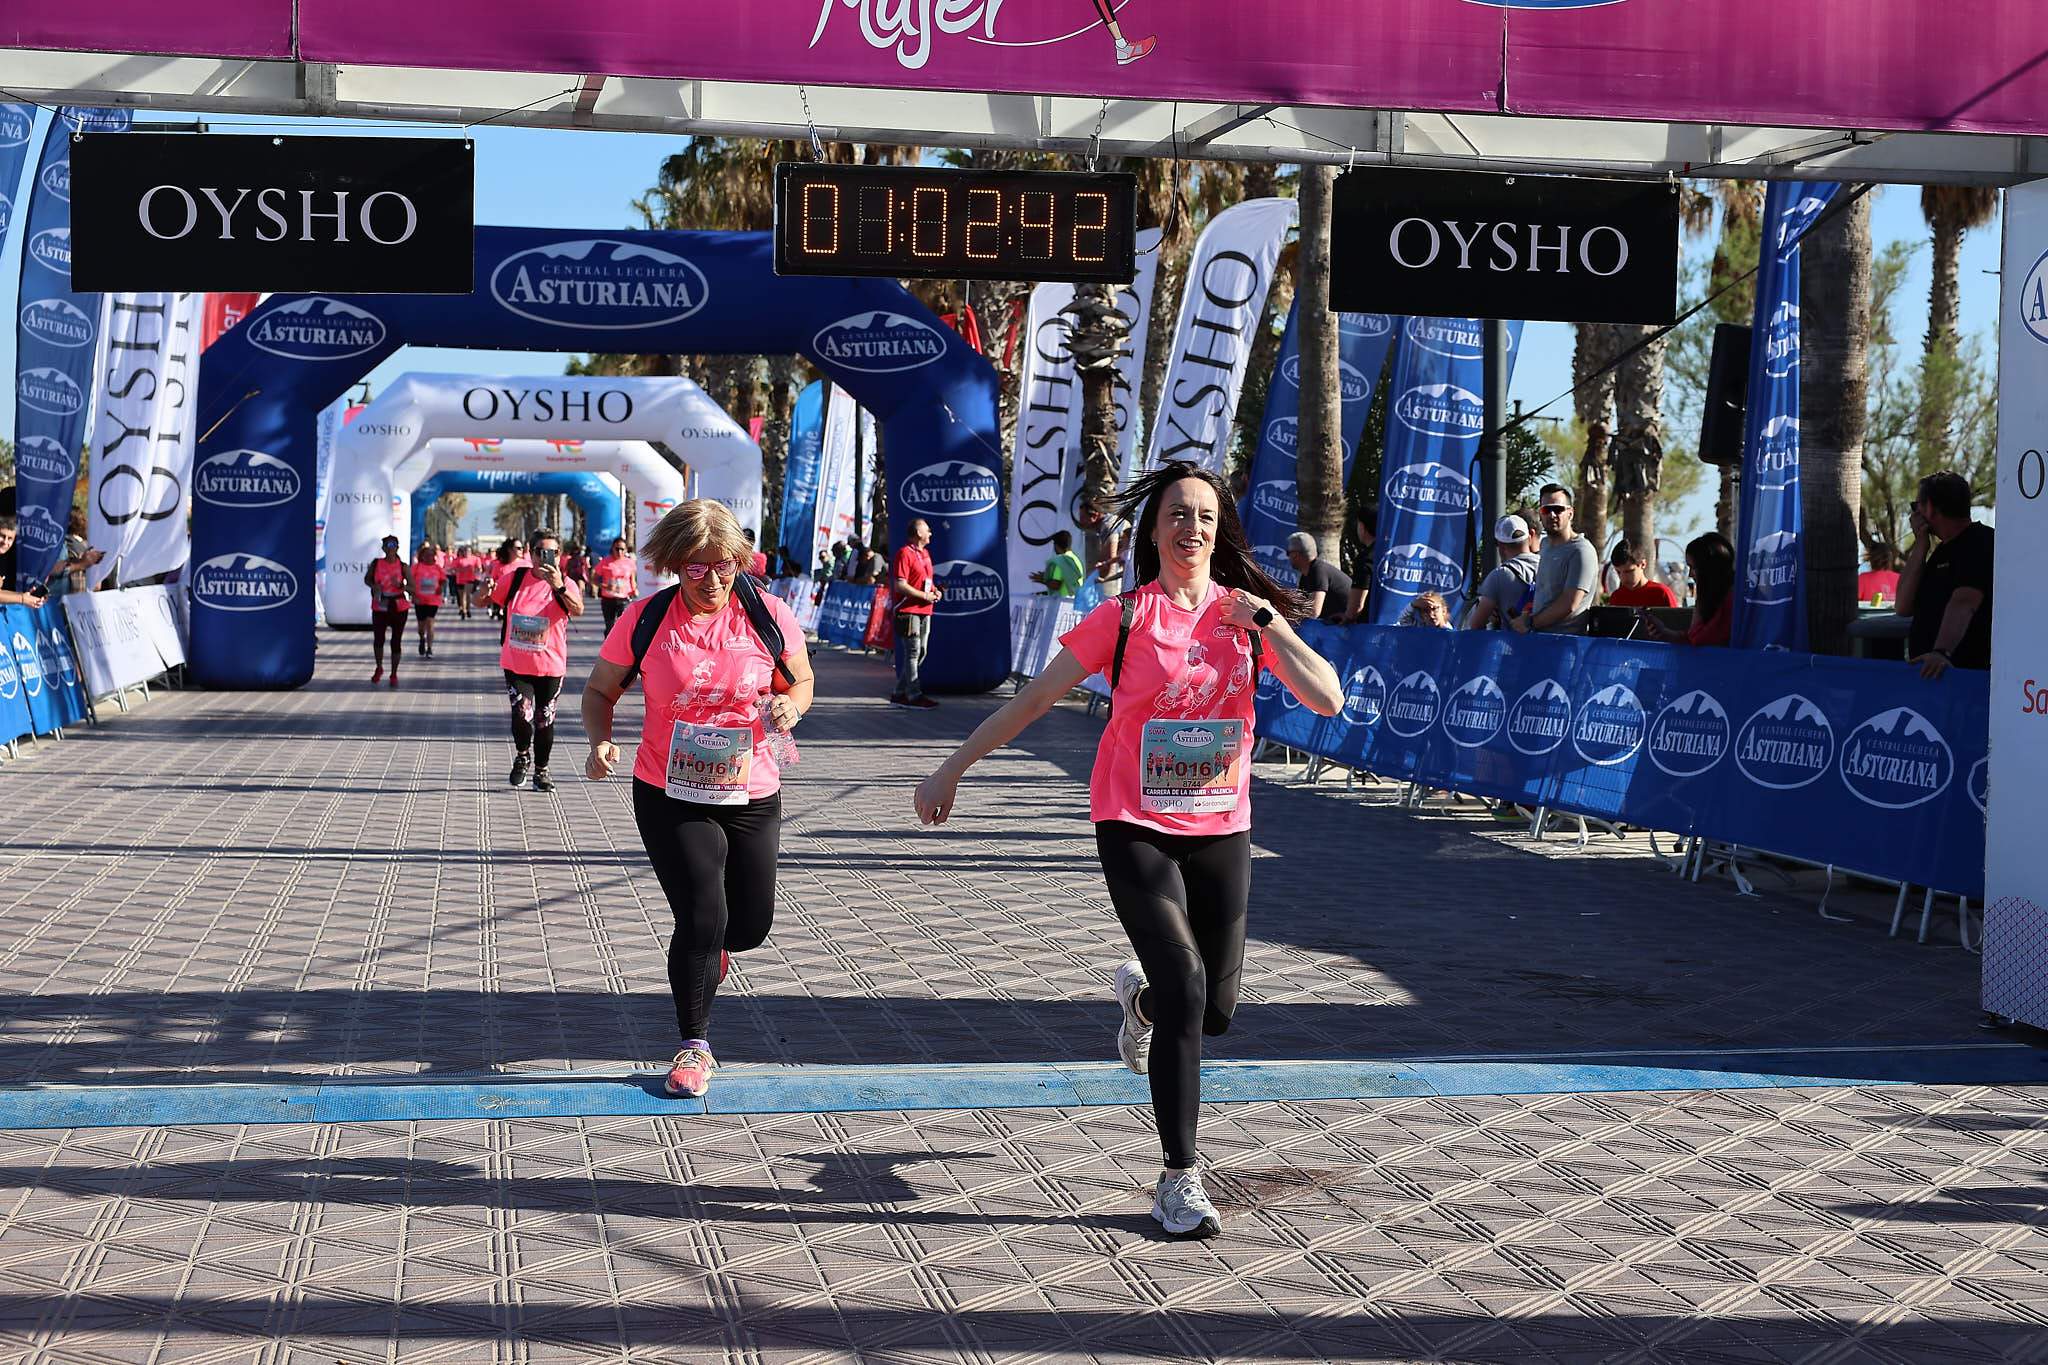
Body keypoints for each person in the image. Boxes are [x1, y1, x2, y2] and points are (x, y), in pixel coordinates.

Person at [914, 461, 1342, 1241]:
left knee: (1212, 1009)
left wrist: (1271, 624)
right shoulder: (1124, 616)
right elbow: (1036, 697)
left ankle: (1138, 1001)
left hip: (1221, 821)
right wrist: (952, 767)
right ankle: (1179, 1177)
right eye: (1177, 514)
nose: (1192, 529)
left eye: (1206, 516)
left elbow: (1329, 697)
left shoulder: (1243, 615)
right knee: (1184, 977)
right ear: (1153, 529)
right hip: (1134, 819)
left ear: (1222, 531)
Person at [582, 500, 815, 1100]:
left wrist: (793, 705)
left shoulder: (768, 614)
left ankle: (713, 951)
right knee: (701, 912)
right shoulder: (644, 618)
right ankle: (694, 1044)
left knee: (751, 924)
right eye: (696, 568)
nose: (712, 580)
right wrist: (601, 741)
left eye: (725, 566)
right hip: (669, 789)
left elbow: (802, 679)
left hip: (754, 786)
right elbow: (600, 690)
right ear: (671, 565)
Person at [492, 529, 583, 792]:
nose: (546, 557)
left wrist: (559, 585)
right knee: (522, 715)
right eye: (541, 552)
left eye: (552, 552)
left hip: (551, 665)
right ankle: (522, 755)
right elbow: (487, 600)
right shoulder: (515, 579)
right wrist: (481, 592)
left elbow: (577, 609)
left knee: (545, 719)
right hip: (517, 664)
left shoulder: (566, 581)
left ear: (560, 555)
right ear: (531, 554)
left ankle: (541, 772)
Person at [1897, 470, 1993, 680]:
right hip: (1930, 674)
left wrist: (1941, 652)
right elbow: (1903, 606)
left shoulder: (1980, 542)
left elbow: (1965, 601)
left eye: (1916, 506)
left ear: (1930, 508)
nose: (1915, 514)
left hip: (1959, 675)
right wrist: (1921, 545)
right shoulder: (1941, 551)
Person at [1510, 485, 1599, 636]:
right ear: (1540, 514)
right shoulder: (1544, 545)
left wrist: (1530, 622)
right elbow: (1544, 595)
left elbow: (1569, 604)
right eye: (1546, 510)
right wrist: (1526, 615)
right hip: (1539, 640)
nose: (1552, 515)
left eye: (1558, 509)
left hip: (1566, 645)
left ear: (1570, 513)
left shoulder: (1581, 551)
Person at [1640, 532, 1735, 648]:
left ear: (1709, 568)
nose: (1690, 574)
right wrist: (1664, 633)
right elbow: (1691, 639)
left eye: (1694, 567)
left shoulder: (1731, 600)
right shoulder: (1709, 599)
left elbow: (1700, 640)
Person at [890, 518, 942, 709]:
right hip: (908, 610)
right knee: (912, 652)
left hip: (925, 610)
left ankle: (899, 692)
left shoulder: (925, 553)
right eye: (927, 530)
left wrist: (935, 592)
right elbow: (900, 585)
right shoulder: (905, 553)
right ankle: (913, 694)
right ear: (918, 533)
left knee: (921, 652)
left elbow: (927, 580)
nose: (930, 533)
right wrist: (924, 595)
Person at [1464, 516, 1540, 630]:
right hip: (1549, 645)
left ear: (1501, 546)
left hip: (1513, 646)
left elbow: (1475, 625)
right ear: (1529, 538)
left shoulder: (1498, 576)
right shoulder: (1547, 566)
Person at [363, 535, 411, 687]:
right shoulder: (376, 563)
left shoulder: (403, 566)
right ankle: (379, 667)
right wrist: (374, 586)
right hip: (380, 604)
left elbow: (413, 587)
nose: (390, 549)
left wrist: (401, 586)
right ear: (383, 548)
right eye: (387, 546)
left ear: (397, 548)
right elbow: (367, 579)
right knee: (379, 639)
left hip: (398, 605)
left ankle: (394, 673)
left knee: (396, 641)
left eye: (393, 546)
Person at [1285, 532, 1352, 625]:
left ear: (1296, 554)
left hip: (1350, 627)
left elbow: (1314, 612)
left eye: (1288, 553)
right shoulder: (1306, 575)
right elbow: (1300, 606)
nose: (1288, 557)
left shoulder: (1318, 571)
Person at [1605, 540, 1678, 609]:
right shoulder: (1617, 597)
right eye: (1618, 572)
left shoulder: (1661, 594)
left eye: (1628, 571)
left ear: (1643, 564)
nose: (1623, 577)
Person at [0, 519, 53, 609]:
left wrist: (26, 596)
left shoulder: (6, 560)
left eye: (10, 539)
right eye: (2, 536)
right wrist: (22, 598)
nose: (5, 542)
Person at [1339, 505, 1377, 624]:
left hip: (1368, 631)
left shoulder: (1366, 558)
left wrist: (1346, 619)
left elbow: (1356, 607)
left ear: (1362, 526)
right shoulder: (1391, 554)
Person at [410, 544, 449, 657]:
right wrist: (413, 595)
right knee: (421, 626)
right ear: (422, 556)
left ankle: (430, 648)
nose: (429, 558)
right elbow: (410, 581)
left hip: (433, 600)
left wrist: (441, 588)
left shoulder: (437, 568)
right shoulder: (416, 567)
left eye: (432, 555)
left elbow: (444, 580)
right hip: (419, 600)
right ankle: (422, 638)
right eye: (427, 555)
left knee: (430, 623)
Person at [593, 536, 638, 634]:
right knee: (610, 626)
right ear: (612, 548)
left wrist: (634, 590)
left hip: (624, 599)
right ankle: (608, 647)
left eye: (622, 549)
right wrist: (605, 586)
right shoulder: (605, 561)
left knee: (623, 626)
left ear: (626, 550)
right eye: (617, 549)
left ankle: (620, 647)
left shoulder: (630, 563)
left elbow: (632, 579)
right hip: (608, 599)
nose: (619, 551)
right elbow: (594, 579)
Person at [1032, 529, 1087, 597]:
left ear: (1056, 545)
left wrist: (1043, 580)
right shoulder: (1076, 559)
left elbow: (1056, 585)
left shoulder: (1060, 561)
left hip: (1063, 603)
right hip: (1075, 601)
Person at [451, 544, 481, 621]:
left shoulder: (475, 559)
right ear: (463, 552)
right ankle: (465, 610)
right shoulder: (458, 560)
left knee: (466, 595)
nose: (467, 552)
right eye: (465, 551)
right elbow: (453, 569)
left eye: (469, 551)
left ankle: (467, 610)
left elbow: (479, 568)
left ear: (471, 552)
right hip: (460, 580)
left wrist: (477, 570)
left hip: (470, 579)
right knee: (462, 596)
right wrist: (459, 570)